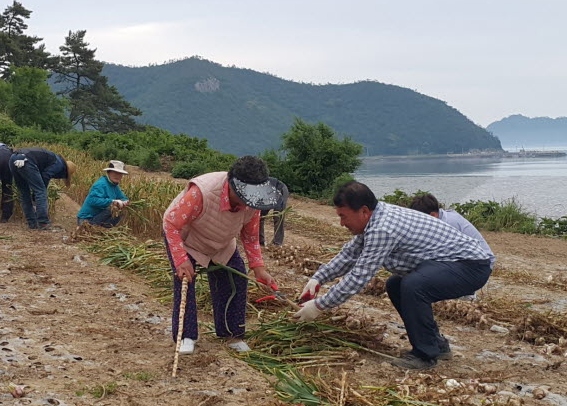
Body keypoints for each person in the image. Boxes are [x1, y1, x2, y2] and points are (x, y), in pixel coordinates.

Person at [293, 181, 494, 370]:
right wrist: (318, 279)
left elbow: (359, 276)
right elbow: (349, 254)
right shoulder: (375, 219)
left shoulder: (383, 228)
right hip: (451, 264)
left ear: (363, 211)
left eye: (343, 216)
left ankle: (425, 355)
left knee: (414, 285)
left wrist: (320, 306)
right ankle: (437, 345)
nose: (341, 223)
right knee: (396, 284)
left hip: (471, 267)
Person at [163, 156, 283, 354]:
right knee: (185, 282)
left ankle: (232, 334)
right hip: (188, 240)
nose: (248, 202)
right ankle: (185, 335)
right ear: (232, 184)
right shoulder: (202, 192)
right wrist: (181, 260)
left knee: (236, 278)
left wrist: (258, 268)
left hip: (221, 243)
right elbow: (171, 223)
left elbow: (250, 237)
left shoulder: (254, 202)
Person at [11, 147, 76, 230]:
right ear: (65, 172)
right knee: (41, 192)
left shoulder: (53, 159)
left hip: (13, 158)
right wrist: (37, 193)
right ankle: (43, 223)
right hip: (26, 160)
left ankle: (32, 223)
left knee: (24, 193)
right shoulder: (59, 164)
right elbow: (46, 175)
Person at [77, 160, 130, 227]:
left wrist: (125, 202)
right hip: (86, 220)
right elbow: (93, 200)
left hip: (98, 218)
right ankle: (96, 229)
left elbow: (123, 197)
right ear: (108, 172)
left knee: (121, 211)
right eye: (115, 173)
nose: (118, 176)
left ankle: (103, 229)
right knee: (112, 208)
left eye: (120, 173)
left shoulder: (115, 186)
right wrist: (112, 201)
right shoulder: (101, 184)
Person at [258, 180, 290, 246]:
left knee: (278, 216)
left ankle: (277, 243)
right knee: (260, 216)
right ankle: (260, 240)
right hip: (267, 193)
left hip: (280, 190)